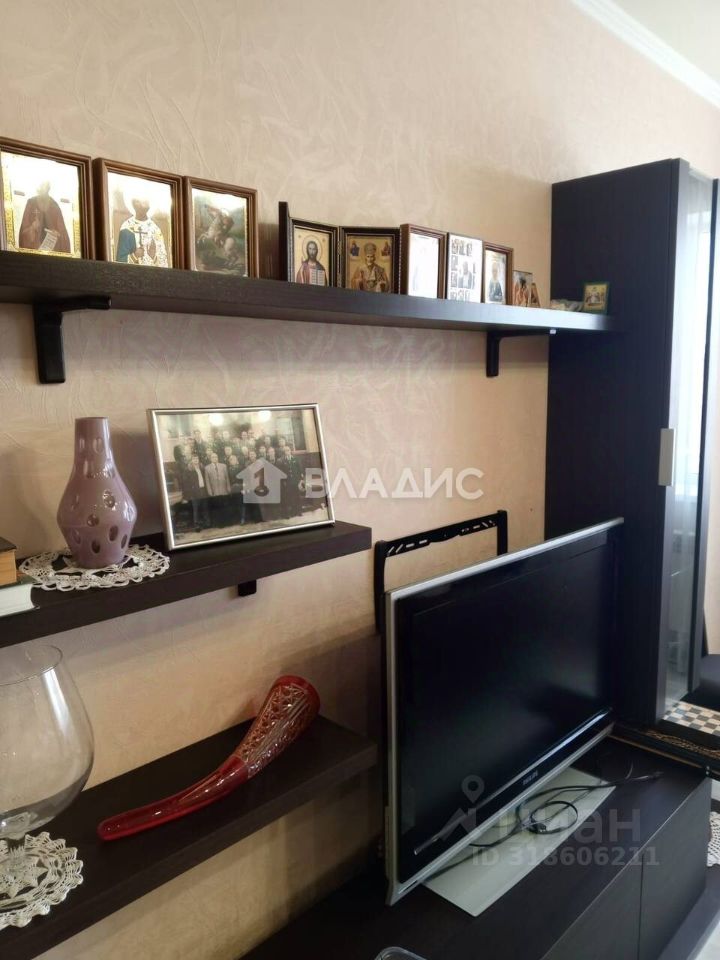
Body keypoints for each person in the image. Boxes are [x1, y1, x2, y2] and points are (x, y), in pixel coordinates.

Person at [18, 180, 71, 253]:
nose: (43, 189)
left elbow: (63, 236)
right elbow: (23, 235)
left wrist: (57, 234)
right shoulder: (31, 203)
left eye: (45, 186)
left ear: (48, 188)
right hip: (35, 252)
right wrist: (32, 228)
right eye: (41, 186)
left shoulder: (54, 206)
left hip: (52, 251)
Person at [116, 197, 169, 267]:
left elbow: (164, 262)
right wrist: (134, 256)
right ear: (133, 204)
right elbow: (119, 261)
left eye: (144, 202)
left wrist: (153, 256)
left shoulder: (155, 229)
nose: (141, 206)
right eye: (137, 202)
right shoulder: (127, 227)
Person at [181, 455, 210, 531]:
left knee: (205, 508)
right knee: (196, 509)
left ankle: (207, 523)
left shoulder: (202, 468)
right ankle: (197, 525)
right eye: (194, 459)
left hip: (203, 490)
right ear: (191, 460)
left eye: (197, 458)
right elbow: (185, 483)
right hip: (194, 492)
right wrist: (190, 492)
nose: (196, 460)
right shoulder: (188, 470)